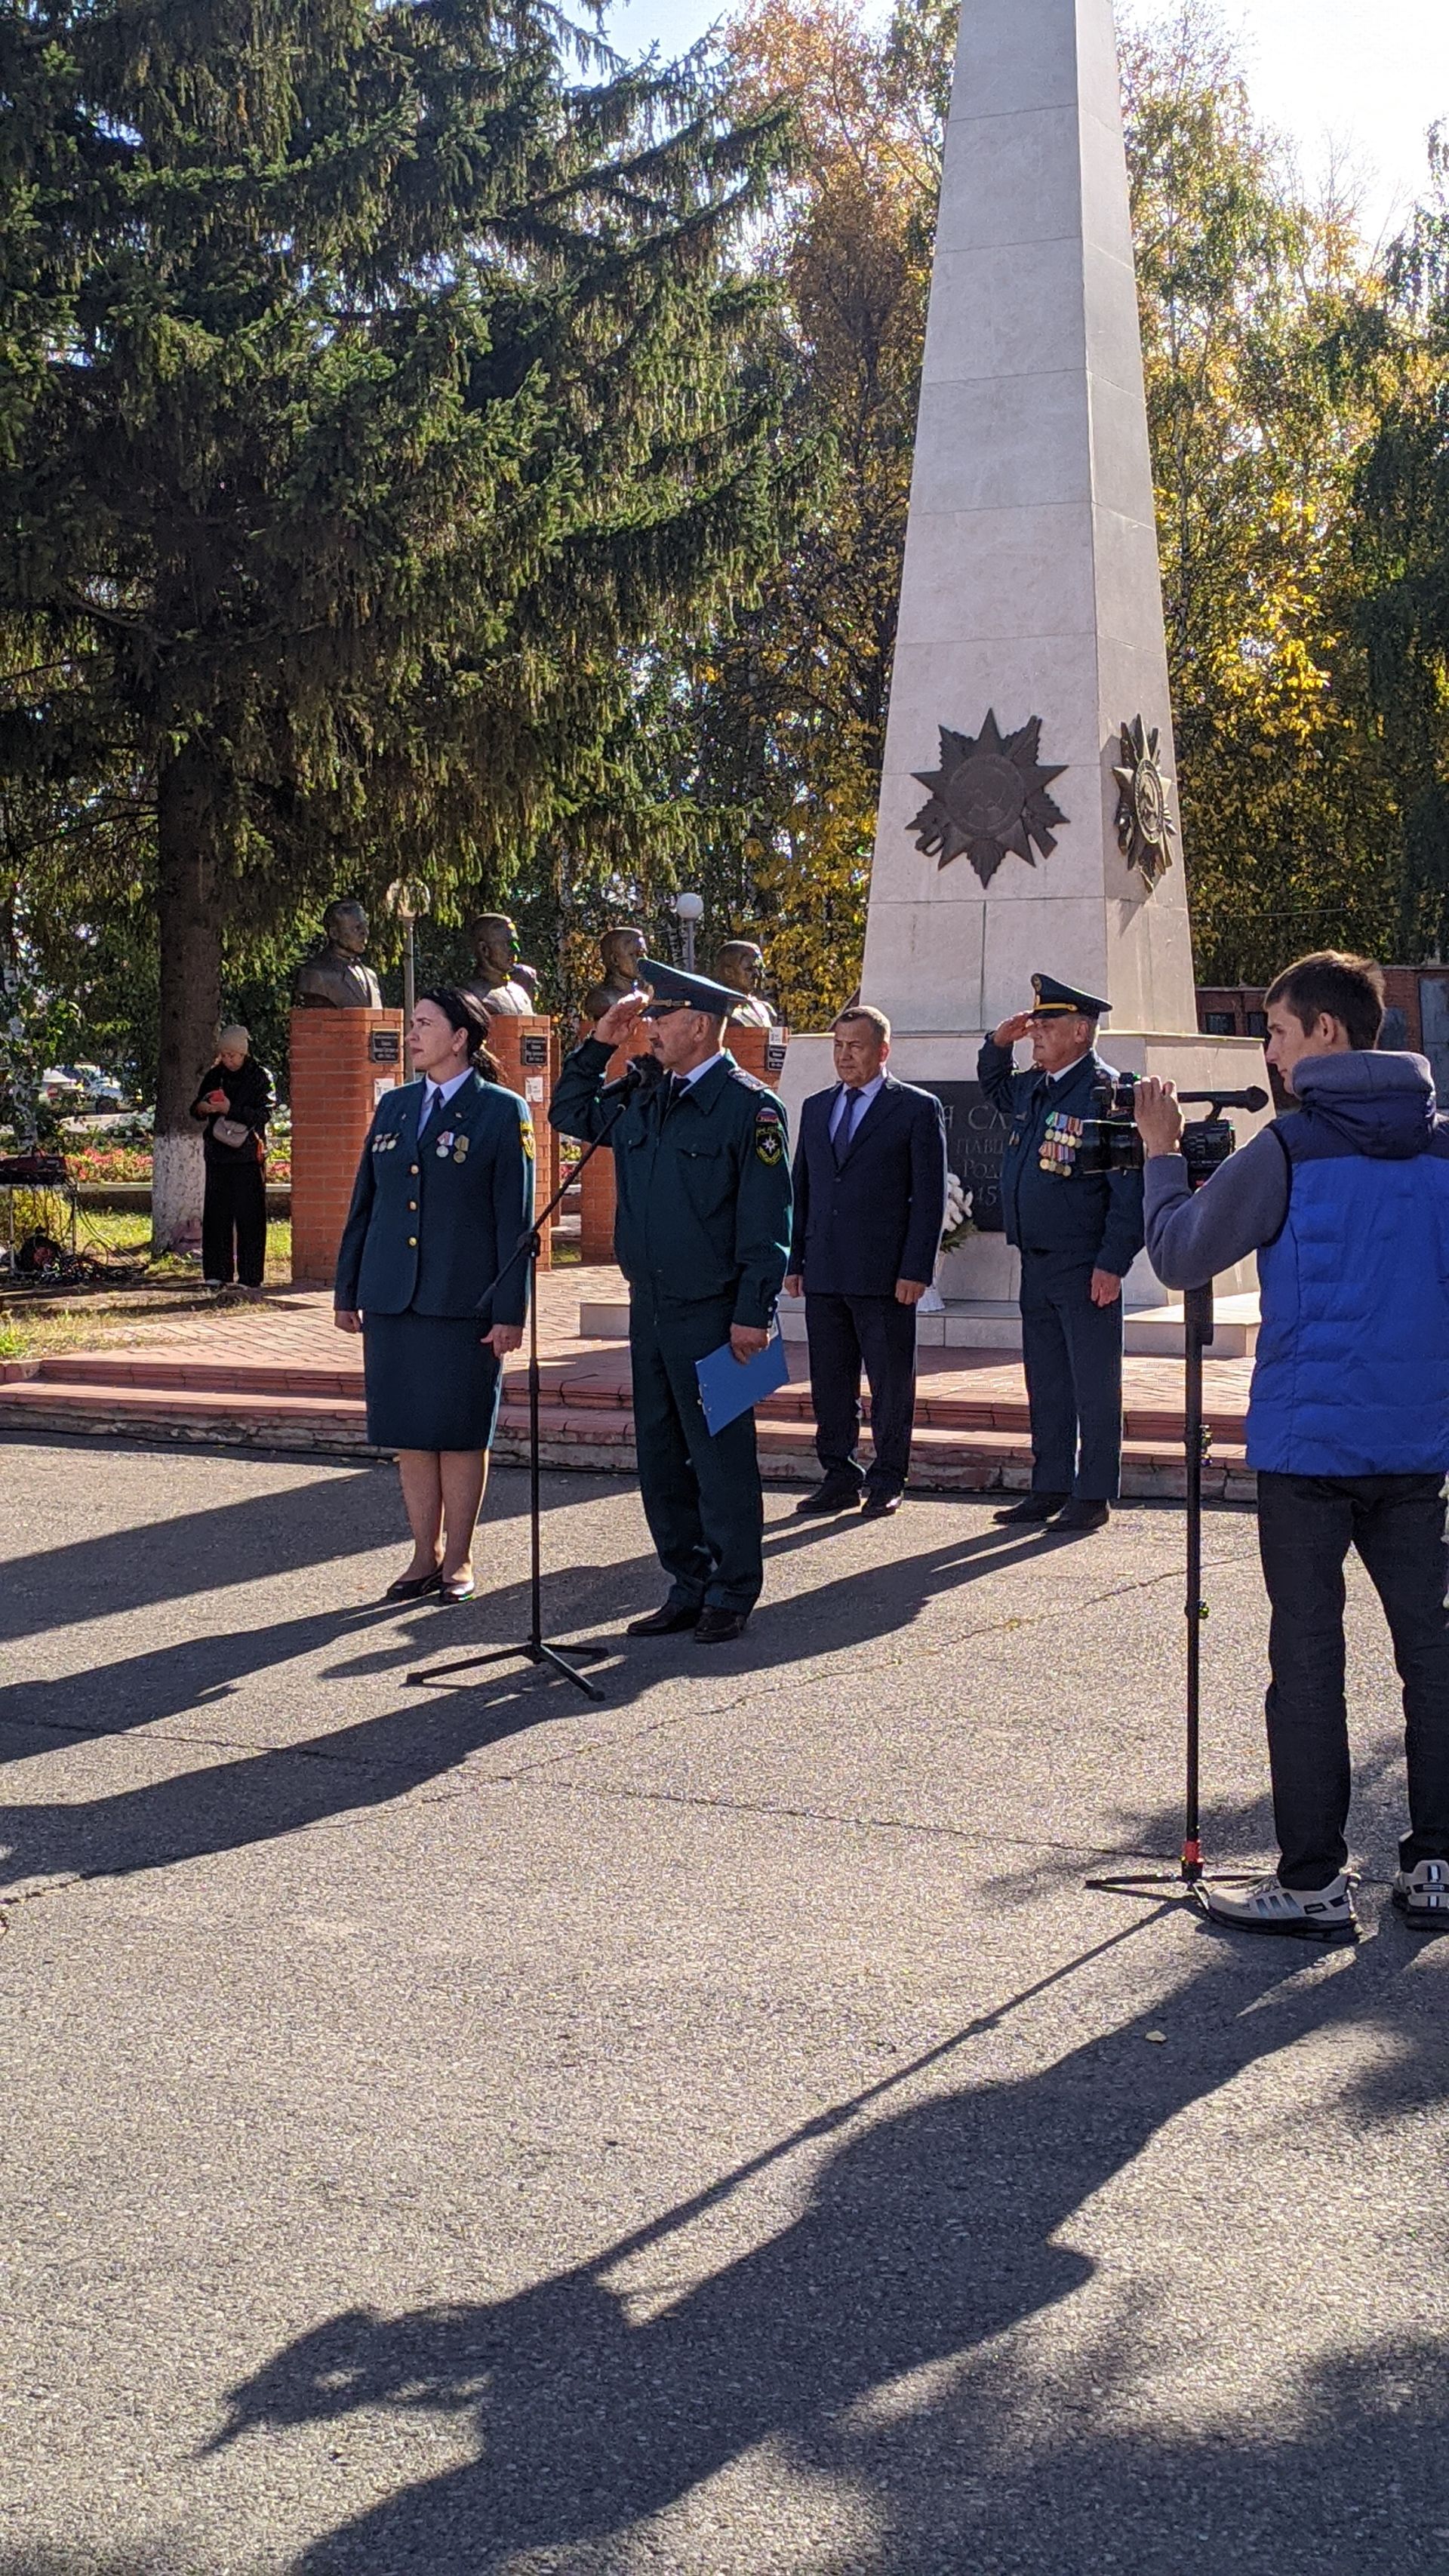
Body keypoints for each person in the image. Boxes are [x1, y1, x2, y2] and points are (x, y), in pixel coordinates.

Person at [1137, 949, 1449, 1941]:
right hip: (1419, 1442)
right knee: (1433, 1655)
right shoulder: (1442, 1150)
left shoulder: (1289, 1150)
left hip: (1311, 1451)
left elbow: (1183, 1250)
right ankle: (1438, 1863)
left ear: (1324, 1034)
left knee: (1309, 1660)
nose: (1267, 1052)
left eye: (1275, 1030)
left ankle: (1314, 1880)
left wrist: (1157, 1154)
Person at [551, 960, 792, 1644]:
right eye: (648, 1017)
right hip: (650, 1305)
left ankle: (733, 1587)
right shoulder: (642, 1094)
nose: (648, 1028)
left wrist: (755, 1310)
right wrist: (601, 1039)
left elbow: (767, 1220)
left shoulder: (751, 1108)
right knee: (660, 1455)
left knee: (719, 1456)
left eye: (661, 1017)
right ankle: (686, 1581)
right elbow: (569, 1111)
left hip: (716, 1310)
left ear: (700, 1025)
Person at [334, 987, 534, 1605]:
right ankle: (424, 1555)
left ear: (460, 1038)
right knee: (412, 1433)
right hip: (394, 1296)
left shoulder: (502, 1110)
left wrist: (509, 1311)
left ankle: (461, 1559)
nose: (412, 1034)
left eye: (424, 1024)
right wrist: (348, 1288)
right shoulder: (394, 1106)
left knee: (460, 1431)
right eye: (410, 1023)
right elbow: (366, 1202)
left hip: (462, 1299)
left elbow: (515, 1220)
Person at [977, 974, 1145, 1534]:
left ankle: (1092, 1492)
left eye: (1046, 1026)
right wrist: (996, 1045)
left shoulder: (1107, 1093)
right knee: (1046, 1380)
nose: (1036, 1035)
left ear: (1081, 1030)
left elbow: (1130, 1190)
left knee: (1093, 1382)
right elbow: (995, 1087)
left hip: (1083, 1260)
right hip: (1037, 1259)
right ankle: (1049, 1483)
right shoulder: (1036, 1087)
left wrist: (1113, 1262)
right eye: (1034, 1026)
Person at [785, 1005, 947, 1519]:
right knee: (830, 1381)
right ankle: (839, 1473)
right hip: (826, 1270)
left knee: (890, 1381)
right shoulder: (816, 1107)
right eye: (837, 1045)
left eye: (855, 1045)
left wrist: (916, 1268)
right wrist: (794, 1258)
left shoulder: (916, 1109)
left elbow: (928, 1197)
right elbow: (802, 1189)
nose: (844, 1054)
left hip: (884, 1275)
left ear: (882, 1051)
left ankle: (888, 1476)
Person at [190, 1026, 275, 1293]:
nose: (229, 1060)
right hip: (218, 1154)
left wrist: (231, 1110)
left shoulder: (260, 1076)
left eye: (234, 1055)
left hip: (248, 1155)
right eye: (225, 1055)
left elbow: (264, 1114)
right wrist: (203, 1108)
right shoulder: (216, 1076)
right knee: (217, 1216)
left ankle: (251, 1277)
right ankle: (217, 1273)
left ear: (244, 1053)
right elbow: (196, 1107)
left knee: (250, 1217)